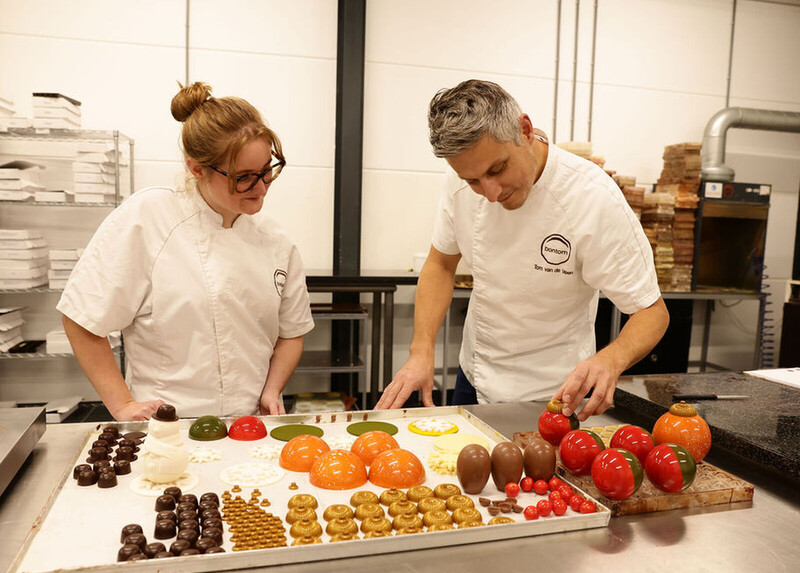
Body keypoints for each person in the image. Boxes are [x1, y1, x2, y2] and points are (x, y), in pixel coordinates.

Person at [376, 79, 669, 420]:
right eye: (473, 181)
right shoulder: (460, 181)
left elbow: (652, 312)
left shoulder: (592, 198)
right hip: (475, 377)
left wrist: (611, 359)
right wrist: (420, 350)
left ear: (525, 130)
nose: (490, 193)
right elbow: (441, 263)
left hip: (556, 392)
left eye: (497, 169)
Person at [58, 82, 314, 421]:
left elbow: (291, 332)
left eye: (267, 170)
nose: (262, 186)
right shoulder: (149, 217)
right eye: (245, 177)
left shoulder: (275, 240)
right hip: (168, 425)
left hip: (249, 426)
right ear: (197, 169)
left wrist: (271, 388)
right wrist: (122, 405)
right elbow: (82, 317)